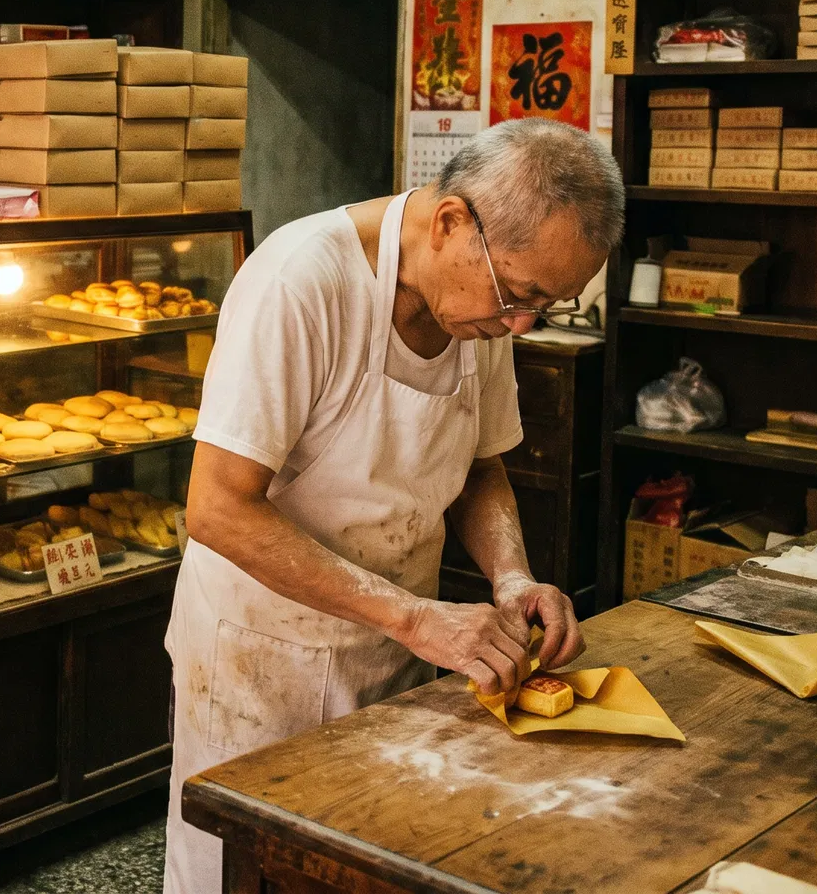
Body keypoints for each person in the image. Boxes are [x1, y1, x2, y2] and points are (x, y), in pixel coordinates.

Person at [163, 117, 624, 894]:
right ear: (451, 222)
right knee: (244, 874)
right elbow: (217, 510)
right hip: (263, 660)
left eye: (545, 307)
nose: (520, 323)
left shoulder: (484, 303)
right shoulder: (303, 281)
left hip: (405, 646)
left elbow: (481, 470)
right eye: (520, 296)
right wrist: (415, 616)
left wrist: (510, 580)